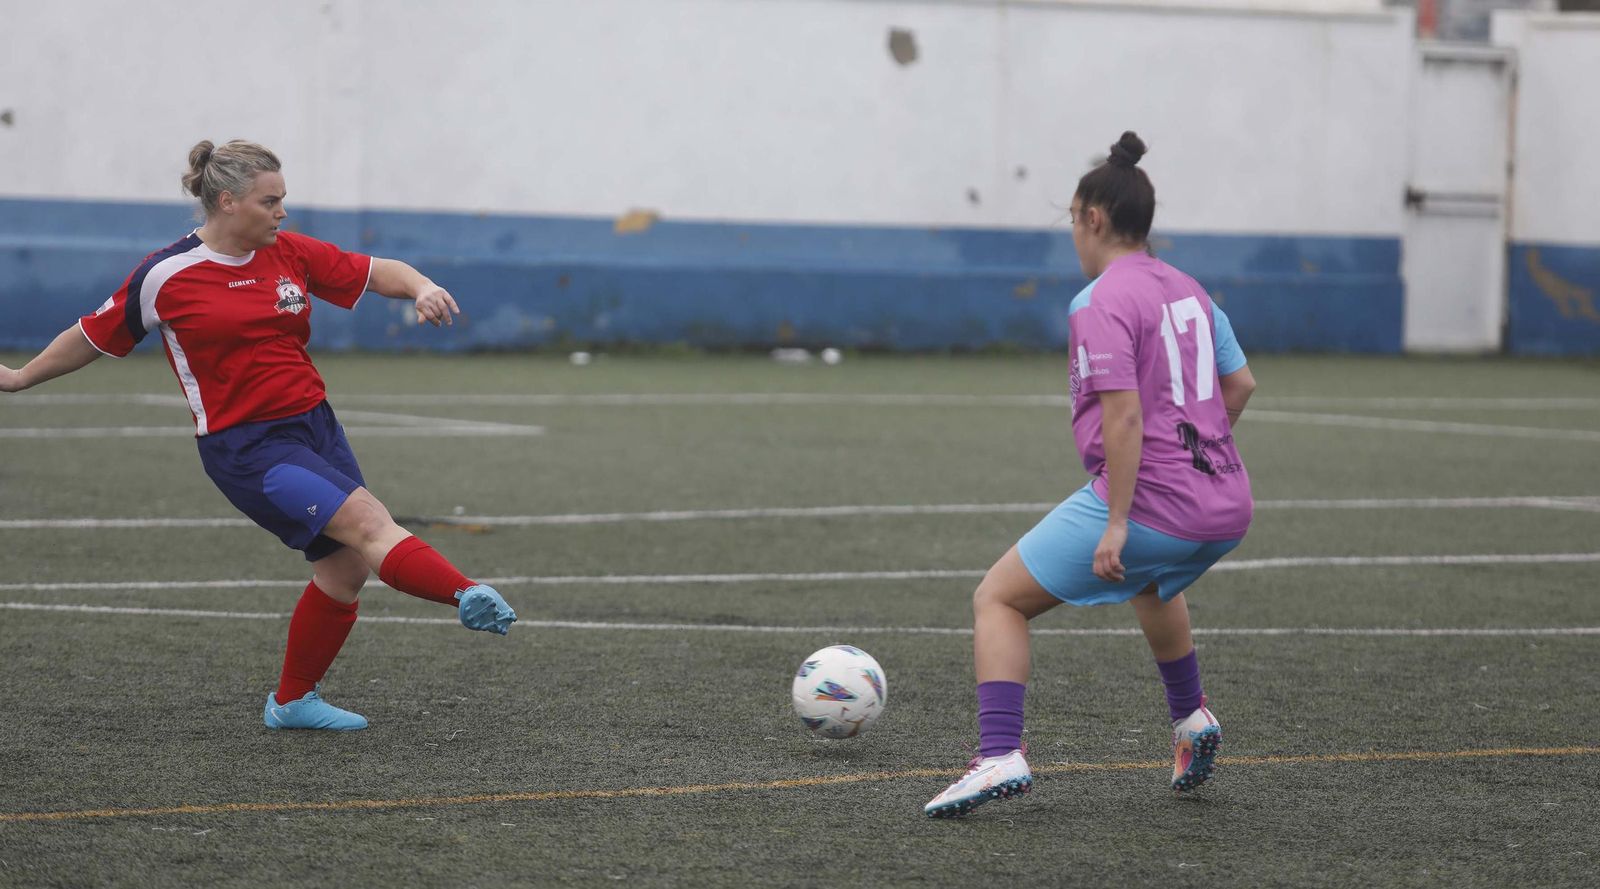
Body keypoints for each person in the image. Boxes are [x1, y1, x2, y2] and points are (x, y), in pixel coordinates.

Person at [0, 140, 518, 732]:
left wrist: (421, 287)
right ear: (227, 201)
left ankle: (293, 702)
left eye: (283, 200)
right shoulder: (166, 275)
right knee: (370, 525)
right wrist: (19, 378)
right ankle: (465, 594)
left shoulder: (290, 253)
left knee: (345, 568)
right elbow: (92, 334)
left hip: (317, 428)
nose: (282, 213)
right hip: (248, 449)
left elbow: (379, 272)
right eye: (270, 201)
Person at [923, 132, 1256, 817]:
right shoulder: (1189, 289)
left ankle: (997, 754)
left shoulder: (1100, 299)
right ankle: (1192, 720)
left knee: (998, 598)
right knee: (1150, 581)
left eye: (1072, 221)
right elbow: (1242, 383)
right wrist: (1199, 455)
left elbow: (1125, 417)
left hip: (1157, 506)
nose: (1074, 236)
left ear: (1093, 219)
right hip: (1225, 504)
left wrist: (1118, 519)